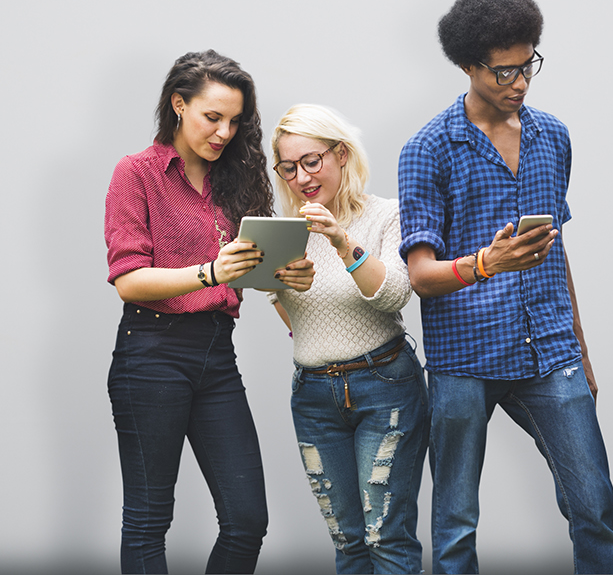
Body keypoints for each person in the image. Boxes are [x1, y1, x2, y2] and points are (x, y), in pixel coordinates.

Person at [398, 0, 613, 574]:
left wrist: (582, 350)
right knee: (454, 528)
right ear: (469, 66)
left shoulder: (553, 136)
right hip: (463, 360)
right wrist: (487, 263)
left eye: (529, 66)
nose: (520, 83)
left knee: (595, 508)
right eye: (504, 72)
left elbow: (557, 251)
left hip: (550, 352)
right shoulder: (427, 149)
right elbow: (420, 275)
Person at [104, 50, 316, 574]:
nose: (224, 133)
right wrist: (210, 272)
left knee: (247, 520)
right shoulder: (137, 174)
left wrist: (289, 281)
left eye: (235, 121)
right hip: (150, 354)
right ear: (179, 105)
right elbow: (129, 281)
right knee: (150, 520)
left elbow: (251, 272)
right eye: (212, 117)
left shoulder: (235, 181)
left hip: (216, 355)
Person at [269, 103, 427, 573]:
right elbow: (286, 306)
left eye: (311, 161)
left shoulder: (386, 215)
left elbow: (395, 295)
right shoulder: (286, 230)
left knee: (387, 539)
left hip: (385, 388)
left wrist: (342, 242)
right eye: (289, 167)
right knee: (348, 543)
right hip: (314, 395)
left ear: (340, 154)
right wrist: (275, 284)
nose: (301, 177)